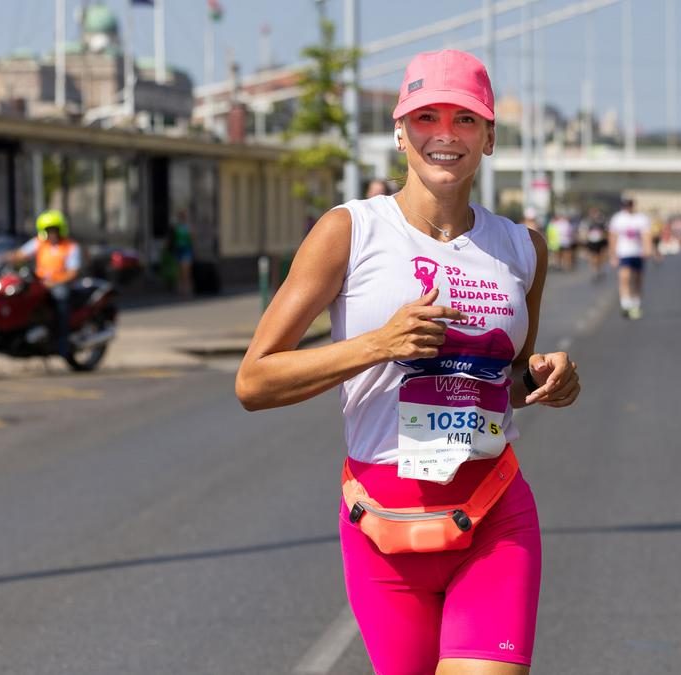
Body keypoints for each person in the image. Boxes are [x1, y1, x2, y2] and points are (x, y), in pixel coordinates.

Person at [236, 49, 581, 675]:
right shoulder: (350, 231)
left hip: (491, 514)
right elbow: (255, 380)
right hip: (383, 528)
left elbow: (508, 376)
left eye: (465, 119)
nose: (445, 134)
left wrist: (547, 378)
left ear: (490, 136)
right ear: (400, 132)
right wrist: (379, 344)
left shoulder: (522, 247)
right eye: (426, 117)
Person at [11, 209, 81, 356]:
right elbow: (20, 255)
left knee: (61, 299)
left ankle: (63, 341)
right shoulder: (40, 242)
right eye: (49, 230)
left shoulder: (70, 246)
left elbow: (73, 272)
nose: (52, 234)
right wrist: (1, 258)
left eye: (54, 230)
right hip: (40, 283)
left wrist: (55, 282)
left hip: (59, 284)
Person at [608, 197, 654, 319]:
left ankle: (636, 304)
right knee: (625, 277)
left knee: (637, 279)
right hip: (623, 253)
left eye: (630, 205)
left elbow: (646, 235)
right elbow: (613, 237)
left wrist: (647, 249)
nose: (628, 207)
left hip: (638, 252)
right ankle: (625, 304)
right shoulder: (618, 219)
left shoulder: (641, 219)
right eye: (626, 205)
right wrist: (613, 255)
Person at [170, 210, 194, 297]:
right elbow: (172, 239)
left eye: (182, 217)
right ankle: (180, 289)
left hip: (186, 250)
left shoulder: (188, 227)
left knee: (186, 271)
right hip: (178, 249)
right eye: (180, 217)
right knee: (179, 271)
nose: (181, 219)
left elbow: (192, 239)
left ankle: (187, 289)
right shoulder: (176, 227)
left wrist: (193, 250)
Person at [581, 205, 609, 282]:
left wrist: (605, 237)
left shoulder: (602, 220)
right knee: (593, 257)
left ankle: (599, 269)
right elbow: (584, 232)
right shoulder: (587, 221)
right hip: (591, 241)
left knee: (600, 257)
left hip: (601, 241)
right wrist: (584, 241)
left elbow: (606, 231)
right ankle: (595, 271)